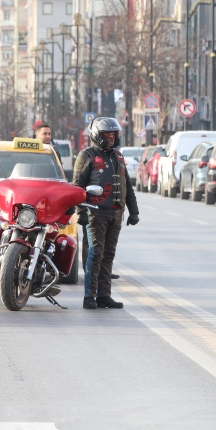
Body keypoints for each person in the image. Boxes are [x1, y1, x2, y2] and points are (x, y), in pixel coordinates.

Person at [73, 117, 138, 309]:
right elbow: (77, 186)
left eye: (113, 134)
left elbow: (127, 185)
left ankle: (104, 295)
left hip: (116, 213)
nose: (111, 138)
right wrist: (81, 210)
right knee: (95, 254)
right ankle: (89, 297)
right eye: (106, 134)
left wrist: (134, 211)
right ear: (96, 135)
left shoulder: (118, 156)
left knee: (108, 254)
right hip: (95, 213)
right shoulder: (87, 156)